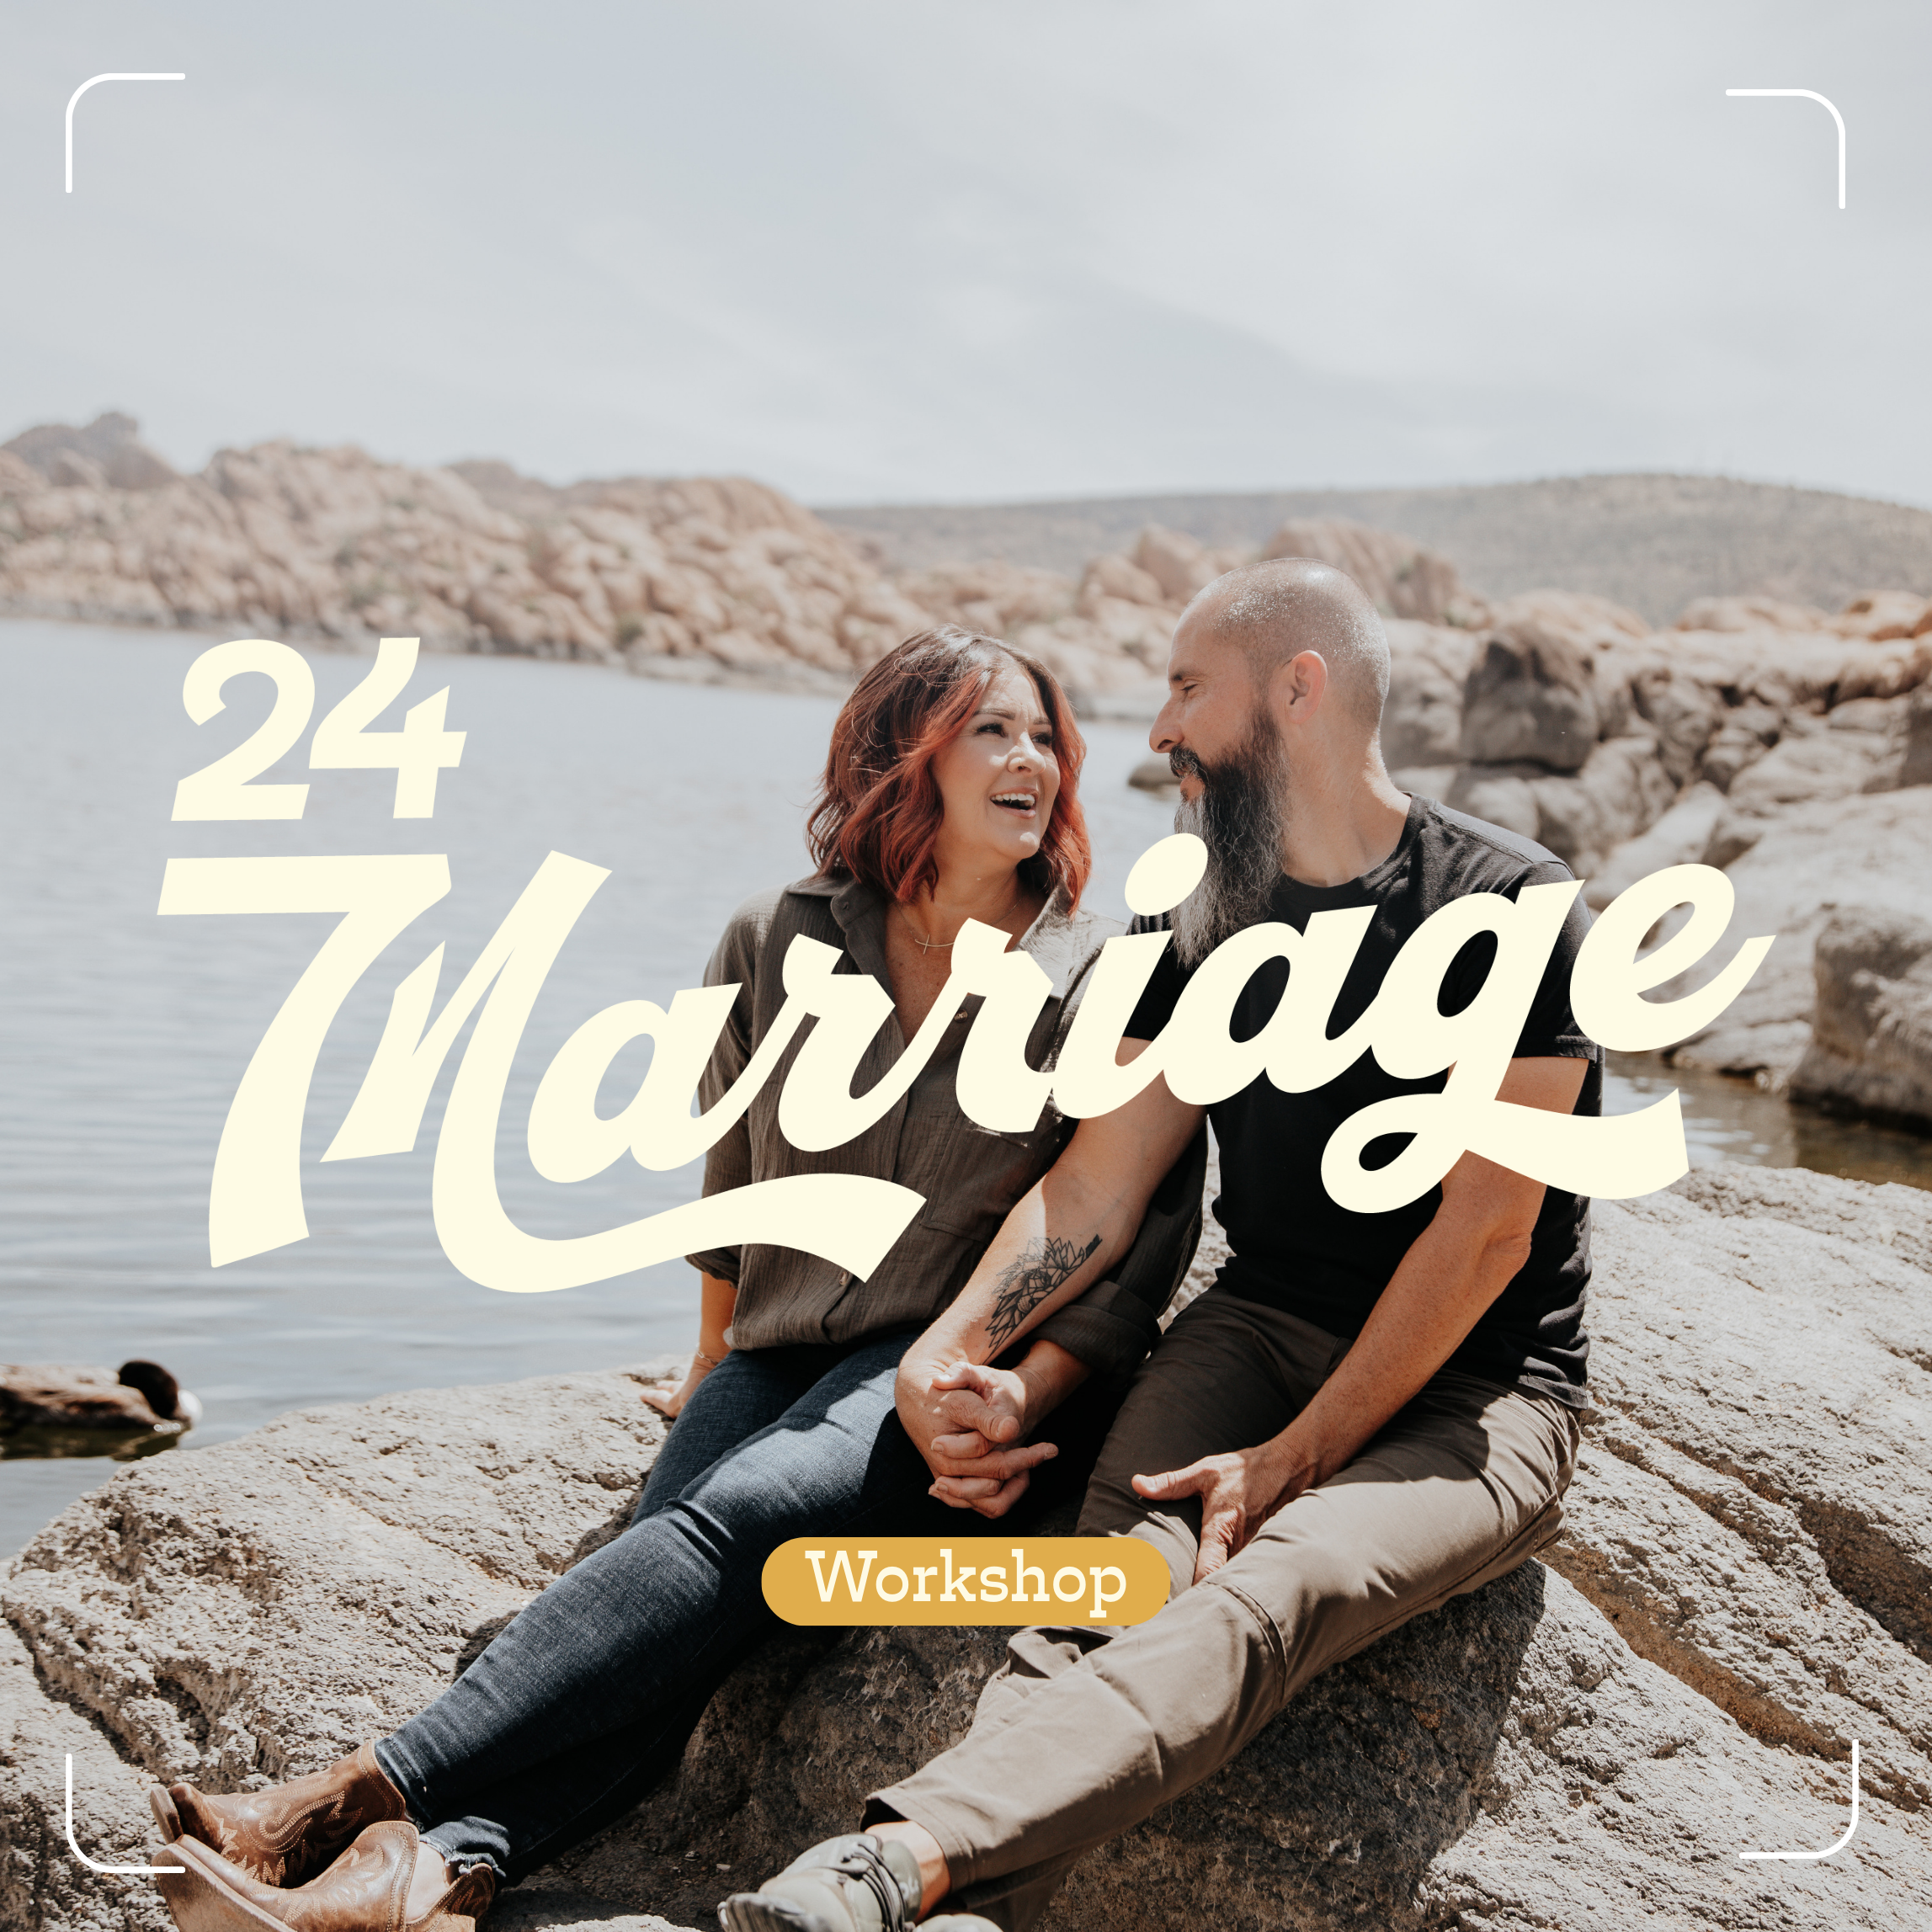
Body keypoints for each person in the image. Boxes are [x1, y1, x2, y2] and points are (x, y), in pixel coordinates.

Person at [146, 627, 1206, 1932]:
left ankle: (341, 1802)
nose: (1030, 759)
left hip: (942, 1379)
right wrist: (712, 1352)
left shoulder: (1112, 969)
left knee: (734, 1515)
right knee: (671, 1605)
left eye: (1046, 734)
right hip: (781, 1347)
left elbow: (1134, 1237)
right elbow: (734, 1171)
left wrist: (1020, 1394)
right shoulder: (778, 933)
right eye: (992, 728)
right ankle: (424, 1875)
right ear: (901, 755)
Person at [722, 558, 1594, 1932]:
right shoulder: (1195, 917)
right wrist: (948, 1355)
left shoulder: (1507, 905)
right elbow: (1097, 1182)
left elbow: (1485, 1233)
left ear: (1295, 692)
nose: (1156, 731)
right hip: (1258, 1324)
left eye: (1188, 687)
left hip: (1477, 1388)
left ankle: (890, 1861)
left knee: (1277, 1576)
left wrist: (1291, 1460)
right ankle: (948, 1899)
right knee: (1103, 1584)